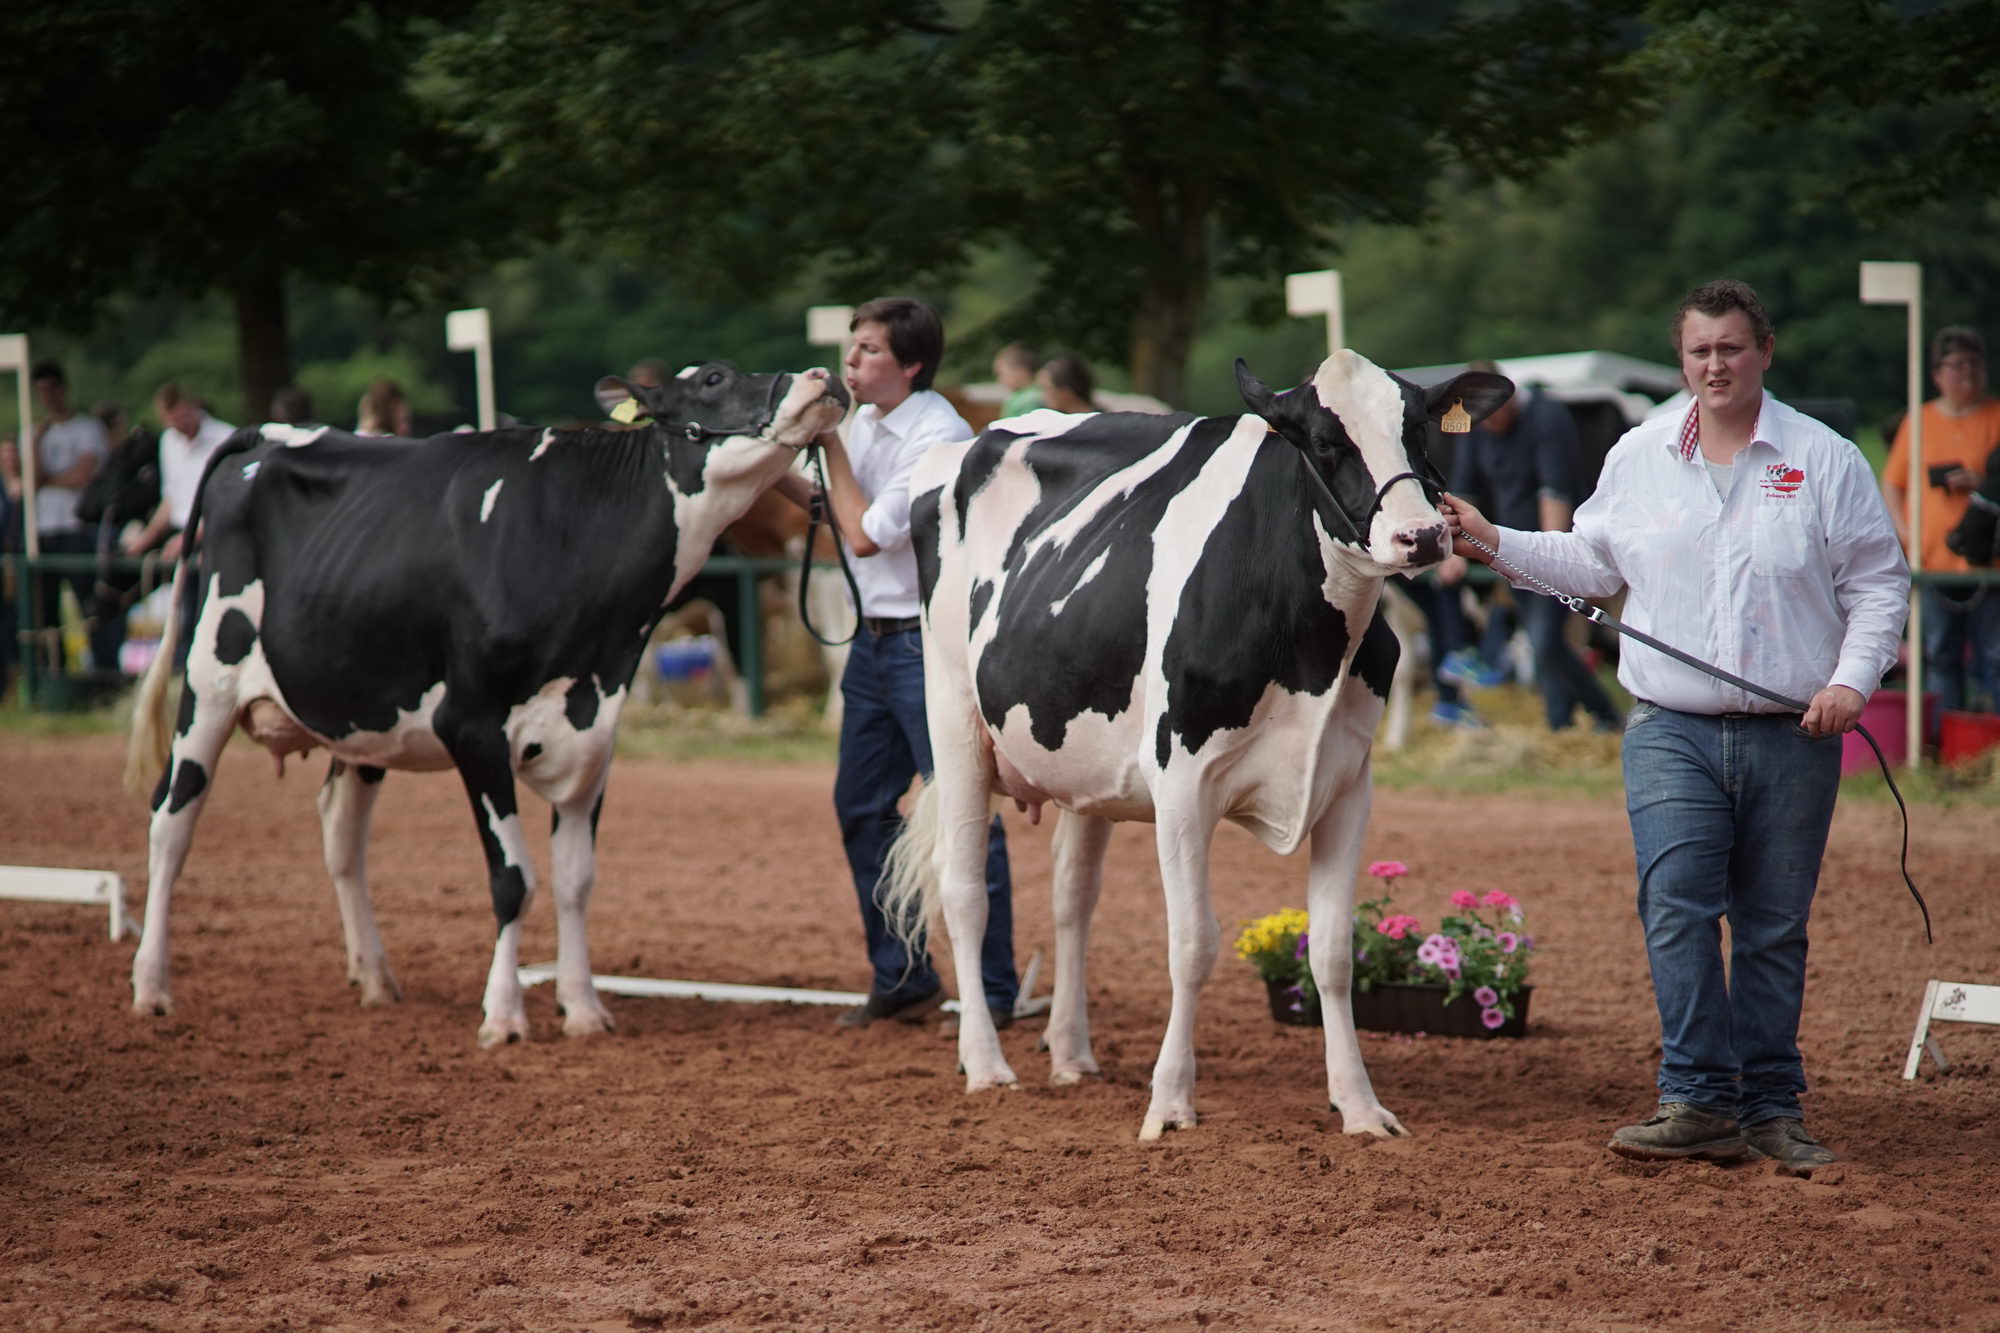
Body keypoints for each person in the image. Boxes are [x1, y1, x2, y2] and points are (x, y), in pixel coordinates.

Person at [1442, 279, 1908, 1175]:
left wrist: (1854, 681)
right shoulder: (1639, 453)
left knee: (1772, 927)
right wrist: (1491, 537)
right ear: (1681, 359)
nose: (1715, 365)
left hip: (1797, 732)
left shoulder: (1827, 459)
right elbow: (1589, 561)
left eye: (1731, 347)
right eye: (1700, 350)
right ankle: (1697, 1098)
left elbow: (1879, 584)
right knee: (1676, 908)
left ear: (1765, 351)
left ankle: (1771, 1107)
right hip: (1669, 728)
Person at [773, 297, 1018, 1029]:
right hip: (875, 645)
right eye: (853, 347)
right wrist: (768, 461)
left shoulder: (939, 434)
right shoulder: (869, 422)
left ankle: (994, 991)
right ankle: (903, 976)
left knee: (965, 815)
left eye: (870, 350)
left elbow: (864, 534)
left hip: (927, 646)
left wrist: (828, 444)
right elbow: (836, 509)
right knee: (860, 808)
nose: (851, 361)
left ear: (911, 364)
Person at [1445, 360, 1621, 732]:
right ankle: (1566, 722)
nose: (1486, 423)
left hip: (1550, 545)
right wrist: (1451, 549)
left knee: (1544, 641)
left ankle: (1594, 716)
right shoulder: (1475, 421)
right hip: (1507, 547)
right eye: (1478, 417)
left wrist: (1550, 555)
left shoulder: (1546, 415)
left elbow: (1554, 488)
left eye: (1492, 412)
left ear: (1508, 396)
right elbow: (1464, 486)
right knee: (1545, 642)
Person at [1881, 327, 2000, 714]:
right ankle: (1942, 736)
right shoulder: (1918, 421)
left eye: (1974, 363)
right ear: (1938, 374)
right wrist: (1905, 533)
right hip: (1932, 561)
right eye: (1958, 364)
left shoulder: (1996, 416)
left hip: (1989, 564)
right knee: (1940, 655)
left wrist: (1980, 482)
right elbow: (1893, 482)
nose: (1968, 372)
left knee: (1994, 655)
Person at [28, 360, 114, 672]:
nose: (47, 397)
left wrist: (46, 479)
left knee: (89, 605)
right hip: (43, 528)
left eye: (51, 389)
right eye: (41, 391)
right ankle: (53, 673)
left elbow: (83, 475)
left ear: (63, 389)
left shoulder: (87, 428)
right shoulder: (34, 432)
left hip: (77, 527)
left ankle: (103, 672)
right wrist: (36, 444)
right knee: (45, 611)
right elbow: (29, 479)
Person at [125, 384, 235, 563]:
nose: (179, 427)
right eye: (170, 422)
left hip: (215, 536)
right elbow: (170, 497)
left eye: (183, 418)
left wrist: (191, 536)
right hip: (179, 534)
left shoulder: (227, 438)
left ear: (193, 406)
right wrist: (147, 538)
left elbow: (229, 501)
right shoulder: (169, 439)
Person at [992, 342, 1043, 417]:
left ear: (1020, 372)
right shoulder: (1039, 393)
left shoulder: (1027, 401)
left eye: (1001, 373)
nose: (999, 379)